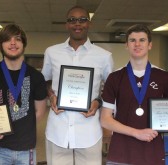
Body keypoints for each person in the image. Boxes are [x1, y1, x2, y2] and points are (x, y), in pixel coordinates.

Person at [100, 24, 168, 165]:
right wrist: (137, 133)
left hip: (152, 152)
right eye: (132, 40)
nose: (137, 44)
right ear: (126, 45)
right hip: (121, 152)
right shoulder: (115, 77)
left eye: (142, 40)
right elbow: (105, 119)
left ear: (150, 45)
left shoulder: (163, 77)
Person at [41, 5, 114, 165]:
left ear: (89, 24)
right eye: (72, 20)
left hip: (89, 131)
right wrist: (52, 95)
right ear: (66, 25)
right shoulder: (52, 52)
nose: (77, 24)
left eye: (82, 20)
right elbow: (45, 81)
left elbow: (111, 90)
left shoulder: (103, 56)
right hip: (58, 129)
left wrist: (98, 102)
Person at [0, 24, 47, 165]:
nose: (12, 43)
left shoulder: (36, 76)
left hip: (26, 149)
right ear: (0, 44)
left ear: (23, 44)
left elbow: (40, 112)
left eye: (17, 39)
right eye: (7, 39)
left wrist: (16, 126)